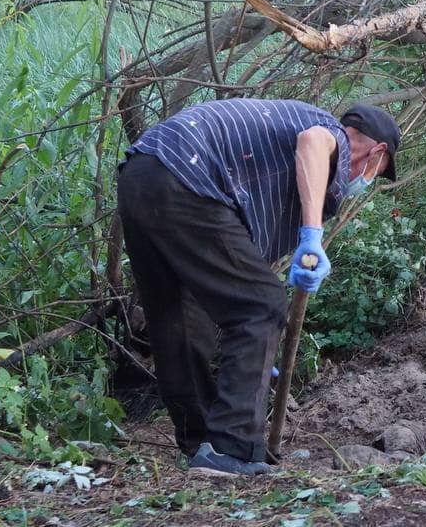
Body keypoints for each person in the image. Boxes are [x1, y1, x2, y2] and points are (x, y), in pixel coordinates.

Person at [116, 98, 401, 477]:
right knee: (262, 305)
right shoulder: (331, 134)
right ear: (377, 151)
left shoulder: (276, 166)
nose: (365, 183)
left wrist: (253, 361)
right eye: (377, 172)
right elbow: (313, 142)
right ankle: (231, 448)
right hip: (187, 173)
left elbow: (231, 270)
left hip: (143, 173)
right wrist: (312, 235)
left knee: (180, 317)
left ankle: (202, 445)